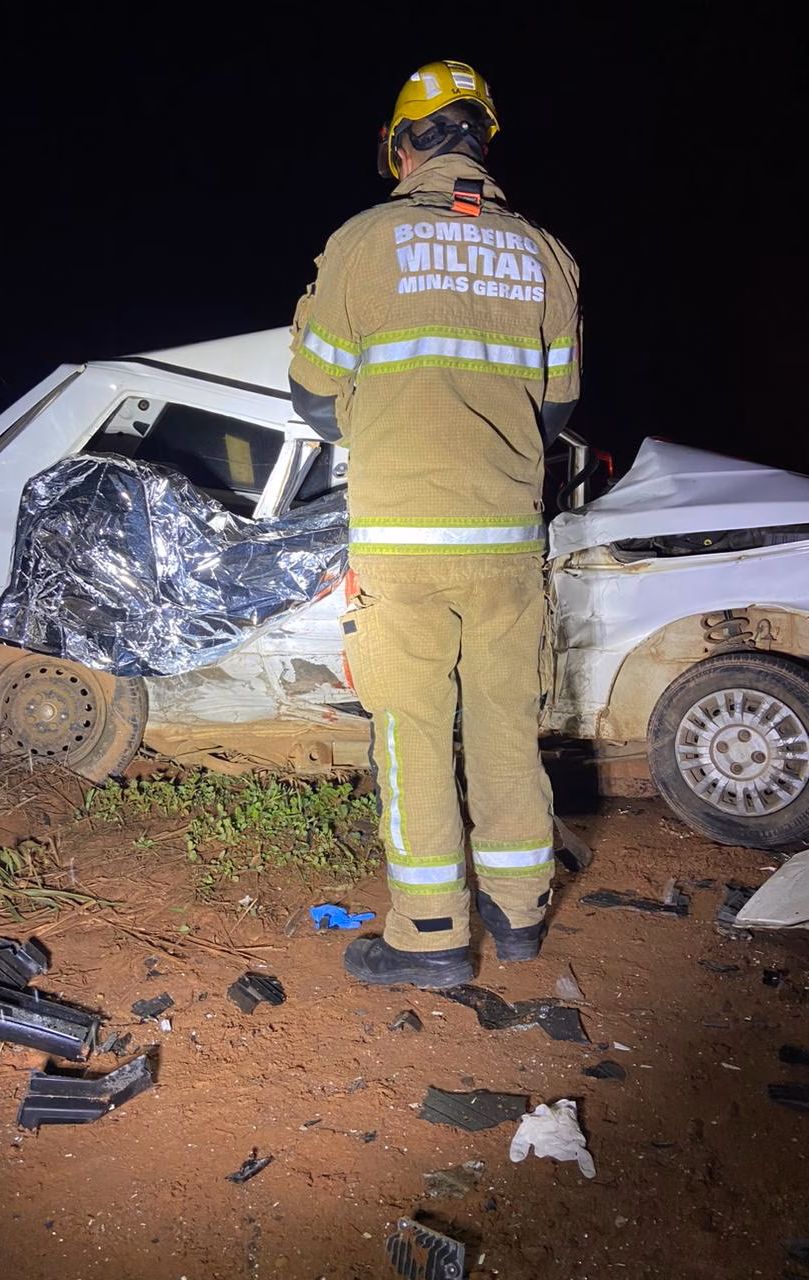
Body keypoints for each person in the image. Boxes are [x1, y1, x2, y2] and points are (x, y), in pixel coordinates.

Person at [288, 59, 581, 988]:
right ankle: (521, 911)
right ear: (482, 143)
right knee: (505, 722)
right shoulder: (545, 255)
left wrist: (389, 413)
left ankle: (429, 935)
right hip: (504, 542)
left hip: (404, 544)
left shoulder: (365, 244)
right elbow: (555, 412)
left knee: (413, 729)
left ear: (401, 145)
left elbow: (312, 395)